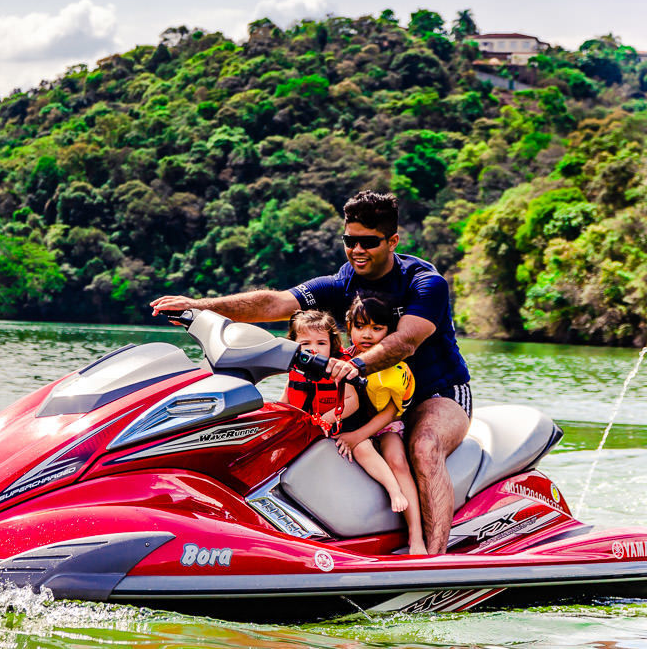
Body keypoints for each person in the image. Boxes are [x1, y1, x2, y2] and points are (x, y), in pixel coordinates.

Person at [150, 190, 471, 554]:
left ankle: (432, 559)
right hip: (365, 396)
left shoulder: (424, 283)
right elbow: (273, 303)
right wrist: (199, 307)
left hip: (436, 392)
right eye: (350, 241)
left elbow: (407, 341)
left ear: (392, 241)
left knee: (424, 447)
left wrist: (354, 364)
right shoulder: (342, 284)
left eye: (369, 242)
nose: (357, 250)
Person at [335, 293, 425, 554]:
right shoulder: (342, 358)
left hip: (384, 426)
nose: (367, 335)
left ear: (389, 331)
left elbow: (389, 414)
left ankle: (416, 537)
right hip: (350, 424)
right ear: (349, 326)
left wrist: (357, 436)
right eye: (360, 326)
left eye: (377, 328)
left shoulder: (394, 366)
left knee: (397, 459)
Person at [278, 309, 357, 428]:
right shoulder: (295, 369)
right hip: (304, 427)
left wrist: (323, 421)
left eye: (321, 343)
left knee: (362, 446)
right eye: (305, 343)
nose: (314, 349)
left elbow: (352, 401)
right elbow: (285, 402)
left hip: (337, 428)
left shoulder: (338, 369)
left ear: (332, 344)